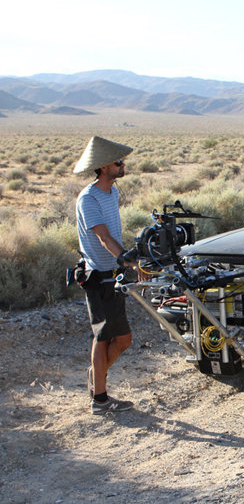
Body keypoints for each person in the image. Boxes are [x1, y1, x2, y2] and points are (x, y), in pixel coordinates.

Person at [74, 136, 144, 414]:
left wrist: (126, 260)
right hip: (98, 275)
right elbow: (103, 236)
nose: (123, 165)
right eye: (118, 162)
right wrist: (128, 261)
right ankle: (100, 399)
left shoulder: (112, 192)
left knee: (122, 338)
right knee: (102, 336)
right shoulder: (88, 199)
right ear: (104, 167)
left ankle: (97, 378)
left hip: (113, 271)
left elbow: (112, 234)